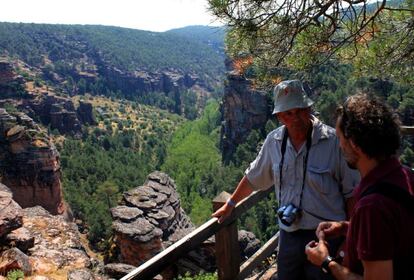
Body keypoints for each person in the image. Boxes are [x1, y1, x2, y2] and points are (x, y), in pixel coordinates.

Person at [212, 80, 359, 280]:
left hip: (326, 237)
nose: (295, 117)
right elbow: (253, 177)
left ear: (309, 109)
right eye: (288, 113)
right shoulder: (274, 142)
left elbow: (352, 194)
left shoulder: (333, 142)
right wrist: (230, 203)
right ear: (280, 117)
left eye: (300, 110)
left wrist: (348, 238)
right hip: (289, 234)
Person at [305, 94, 414, 279]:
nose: (339, 146)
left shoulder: (371, 207)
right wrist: (348, 227)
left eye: (339, 138)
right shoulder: (404, 175)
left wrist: (326, 261)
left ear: (353, 143)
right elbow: (395, 233)